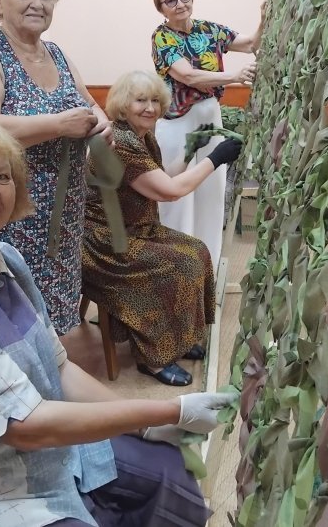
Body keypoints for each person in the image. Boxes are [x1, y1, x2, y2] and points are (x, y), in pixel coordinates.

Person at [0, 116, 235, 527]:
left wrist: (146, 427)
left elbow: (59, 367)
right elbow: (22, 425)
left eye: (1, 176)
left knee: (169, 468)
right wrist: (165, 412)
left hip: (41, 450)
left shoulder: (5, 259)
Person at [0, 0, 113, 336]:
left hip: (64, 212)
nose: (37, 3)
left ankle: (54, 367)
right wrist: (59, 125)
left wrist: (101, 124)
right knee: (13, 323)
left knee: (52, 321)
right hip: (9, 214)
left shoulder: (56, 53)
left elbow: (89, 104)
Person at [82, 71, 242, 387]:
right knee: (176, 265)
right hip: (105, 241)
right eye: (141, 100)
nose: (150, 108)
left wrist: (191, 150)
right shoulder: (121, 142)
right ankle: (152, 359)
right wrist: (215, 158)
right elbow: (169, 191)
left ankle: (177, 338)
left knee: (197, 251)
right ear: (123, 105)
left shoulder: (142, 136)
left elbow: (162, 177)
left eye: (155, 100)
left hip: (135, 229)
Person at [151, 0, 265, 273]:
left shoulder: (208, 30)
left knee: (211, 192)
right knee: (176, 197)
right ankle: (176, 271)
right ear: (161, 8)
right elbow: (188, 75)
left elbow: (251, 43)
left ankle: (206, 270)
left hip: (209, 115)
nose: (179, 4)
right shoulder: (162, 37)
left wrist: (264, 16)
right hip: (177, 122)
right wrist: (234, 76)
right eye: (170, 0)